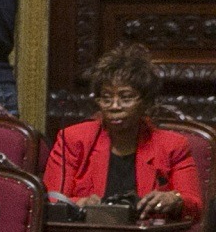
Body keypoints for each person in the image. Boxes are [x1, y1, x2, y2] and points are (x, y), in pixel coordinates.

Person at [44, 42, 203, 222]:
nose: (114, 106)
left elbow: (195, 207)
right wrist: (80, 203)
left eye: (126, 98)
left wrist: (174, 200)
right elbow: (53, 201)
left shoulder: (172, 146)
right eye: (106, 98)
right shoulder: (73, 139)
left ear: (145, 101)